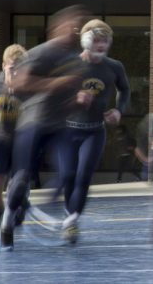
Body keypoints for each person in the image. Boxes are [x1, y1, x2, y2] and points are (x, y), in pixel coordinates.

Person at [0, 5, 90, 251]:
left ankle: (56, 211)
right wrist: (57, 82)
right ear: (55, 28)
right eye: (70, 25)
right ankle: (8, 221)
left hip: (59, 125)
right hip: (33, 123)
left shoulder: (77, 63)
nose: (73, 31)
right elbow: (19, 83)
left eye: (77, 27)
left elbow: (68, 100)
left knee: (69, 173)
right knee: (21, 179)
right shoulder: (41, 53)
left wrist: (79, 100)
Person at [57, 20, 130, 243]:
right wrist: (73, 98)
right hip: (68, 131)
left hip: (94, 131)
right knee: (68, 176)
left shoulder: (114, 66)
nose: (101, 45)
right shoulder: (70, 65)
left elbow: (125, 89)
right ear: (86, 41)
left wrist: (119, 110)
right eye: (97, 40)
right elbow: (53, 98)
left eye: (105, 41)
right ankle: (70, 214)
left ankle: (72, 222)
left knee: (83, 177)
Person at [0, 45, 27, 245]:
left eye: (21, 69)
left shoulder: (32, 86)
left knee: (18, 186)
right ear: (3, 66)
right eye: (12, 68)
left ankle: (22, 202)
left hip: (22, 142)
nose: (16, 73)